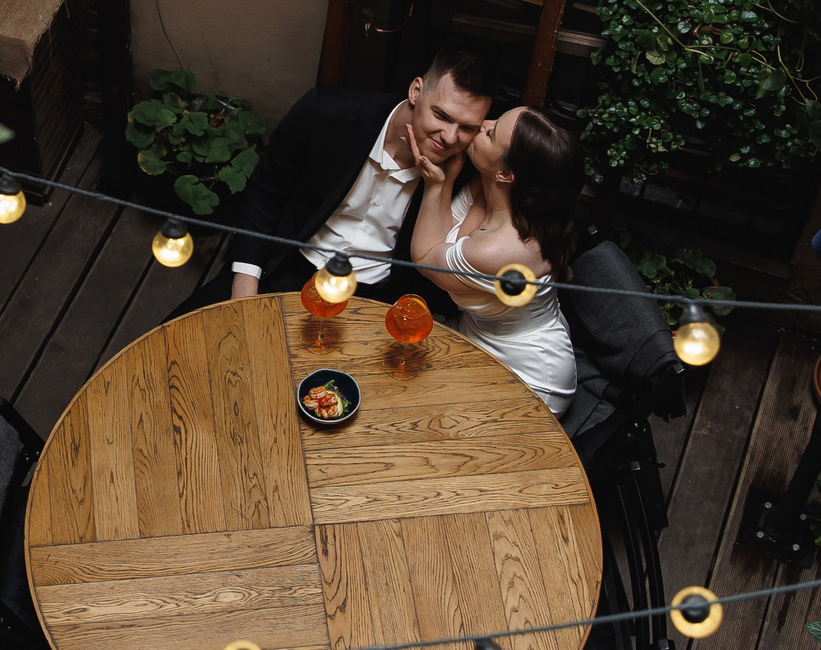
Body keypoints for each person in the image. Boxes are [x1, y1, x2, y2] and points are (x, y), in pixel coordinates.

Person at [174, 44, 497, 319]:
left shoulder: (466, 169)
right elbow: (267, 191)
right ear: (416, 91)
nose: (450, 137)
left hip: (375, 303)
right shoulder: (328, 113)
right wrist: (245, 284)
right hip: (285, 268)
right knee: (175, 349)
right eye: (441, 116)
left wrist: (439, 187)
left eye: (467, 127)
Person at [413, 105, 585, 415]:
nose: (483, 124)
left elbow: (426, 256)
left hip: (529, 379)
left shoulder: (502, 251)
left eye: (491, 133)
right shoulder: (503, 193)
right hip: (478, 338)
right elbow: (445, 238)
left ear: (506, 173)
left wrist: (437, 185)